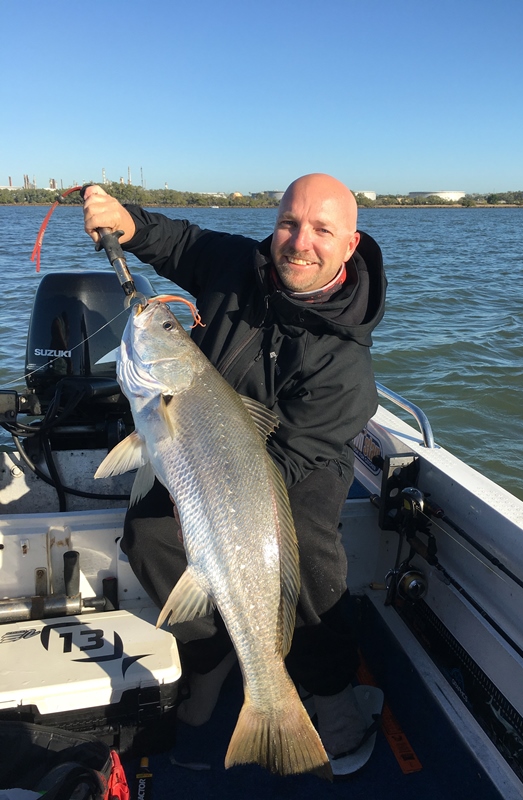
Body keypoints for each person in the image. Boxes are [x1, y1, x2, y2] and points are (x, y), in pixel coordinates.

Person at [83, 174, 386, 768]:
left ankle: (326, 688)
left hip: (297, 459)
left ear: (350, 245)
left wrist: (207, 496)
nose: (299, 242)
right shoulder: (239, 265)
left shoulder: (347, 371)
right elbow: (183, 244)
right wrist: (129, 222)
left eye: (322, 229)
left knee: (309, 559)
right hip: (204, 436)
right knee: (148, 538)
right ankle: (215, 658)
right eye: (289, 223)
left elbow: (282, 464)